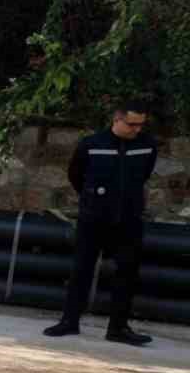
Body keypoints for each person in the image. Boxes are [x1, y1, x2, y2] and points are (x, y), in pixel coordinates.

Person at [42, 105, 158, 346]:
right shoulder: (92, 144)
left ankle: (118, 328)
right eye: (131, 124)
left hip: (129, 219)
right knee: (81, 269)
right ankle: (69, 322)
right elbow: (76, 174)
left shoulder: (147, 145)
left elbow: (145, 174)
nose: (137, 129)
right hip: (94, 218)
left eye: (140, 124)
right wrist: (92, 198)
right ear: (117, 120)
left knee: (126, 272)